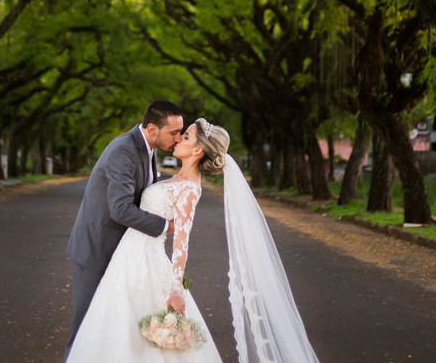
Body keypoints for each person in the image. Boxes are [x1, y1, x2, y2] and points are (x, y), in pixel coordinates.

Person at [65, 118, 321, 363]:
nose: (178, 139)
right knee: (113, 326)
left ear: (197, 149)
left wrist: (177, 289)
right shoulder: (176, 179)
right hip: (128, 258)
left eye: (185, 136)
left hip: (146, 261)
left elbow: (181, 242)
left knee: (134, 333)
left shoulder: (189, 189)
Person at [65, 100, 185, 357]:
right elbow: (119, 209)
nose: (178, 138)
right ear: (152, 129)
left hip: (124, 255)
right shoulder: (123, 150)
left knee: (111, 331)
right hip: (97, 251)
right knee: (86, 329)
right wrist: (166, 225)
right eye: (173, 132)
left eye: (180, 132)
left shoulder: (148, 149)